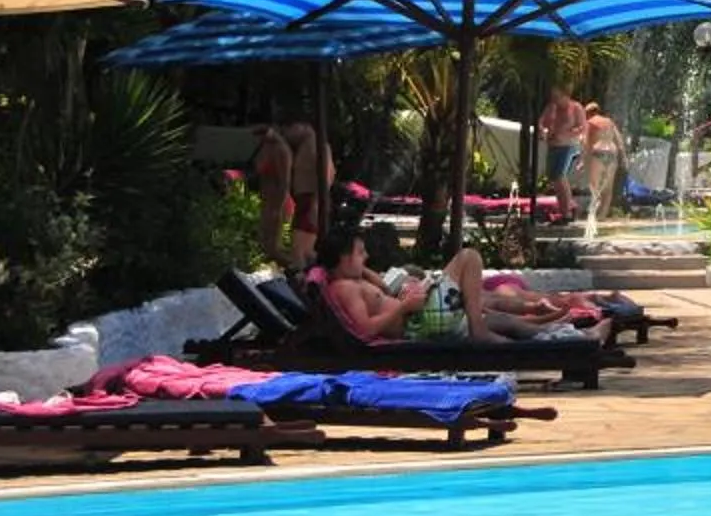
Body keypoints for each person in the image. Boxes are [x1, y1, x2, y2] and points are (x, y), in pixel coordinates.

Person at [312, 231, 574, 344]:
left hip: (420, 315)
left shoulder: (353, 280)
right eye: (360, 253)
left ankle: (560, 333)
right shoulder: (344, 288)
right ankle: (479, 330)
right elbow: (364, 330)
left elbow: (382, 287)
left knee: (498, 318)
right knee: (469, 258)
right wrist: (404, 306)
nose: (366, 256)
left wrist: (363, 271)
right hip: (417, 320)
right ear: (344, 258)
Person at [248, 120, 333, 271]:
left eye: (291, 127)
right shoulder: (306, 147)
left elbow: (326, 177)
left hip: (310, 202)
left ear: (304, 126)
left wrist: (315, 203)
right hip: (304, 202)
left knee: (298, 253)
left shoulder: (318, 146)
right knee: (303, 253)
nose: (288, 132)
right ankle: (318, 273)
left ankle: (307, 284)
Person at [537, 84, 586, 223]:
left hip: (568, 145)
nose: (556, 100)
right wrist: (543, 131)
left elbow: (582, 128)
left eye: (558, 97)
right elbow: (541, 122)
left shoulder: (575, 108)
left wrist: (567, 134)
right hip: (553, 145)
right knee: (553, 176)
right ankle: (567, 206)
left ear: (566, 95)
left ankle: (566, 212)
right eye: (553, 97)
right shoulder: (551, 107)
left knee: (559, 175)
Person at [578, 103, 627, 237]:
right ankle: (602, 215)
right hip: (611, 153)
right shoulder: (609, 122)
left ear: (588, 113)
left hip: (598, 153)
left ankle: (593, 214)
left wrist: (582, 161)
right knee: (608, 188)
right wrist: (623, 158)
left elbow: (587, 142)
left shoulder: (590, 122)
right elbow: (619, 141)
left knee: (595, 186)